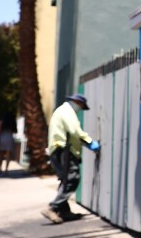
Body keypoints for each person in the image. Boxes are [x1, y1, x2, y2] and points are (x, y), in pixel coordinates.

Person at [42, 94, 99, 224]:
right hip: (64, 150)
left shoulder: (61, 111)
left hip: (57, 150)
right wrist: (90, 142)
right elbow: (75, 131)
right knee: (72, 179)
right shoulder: (67, 111)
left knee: (65, 179)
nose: (80, 109)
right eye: (81, 106)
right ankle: (53, 207)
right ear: (76, 101)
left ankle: (64, 211)